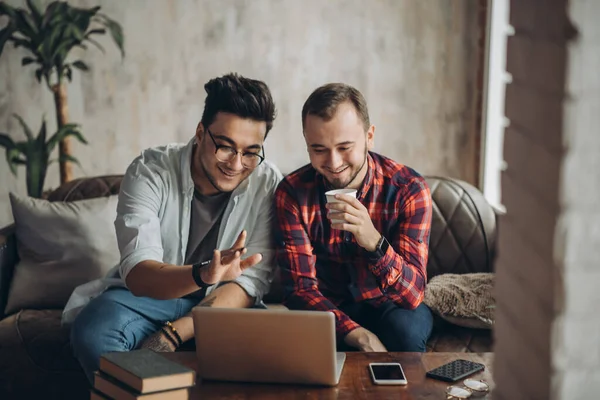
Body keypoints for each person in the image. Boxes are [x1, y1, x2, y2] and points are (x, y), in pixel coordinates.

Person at [66, 73, 282, 382]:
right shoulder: (151, 171)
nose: (236, 164)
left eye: (250, 152)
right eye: (225, 146)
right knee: (93, 332)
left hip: (223, 304)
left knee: (272, 355)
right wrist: (202, 274)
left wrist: (174, 334)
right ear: (199, 133)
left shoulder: (267, 183)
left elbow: (249, 285)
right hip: (147, 300)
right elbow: (139, 273)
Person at [274, 83, 433, 352]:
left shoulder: (409, 189)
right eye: (319, 149)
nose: (334, 163)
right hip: (326, 306)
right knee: (302, 343)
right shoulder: (292, 193)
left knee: (405, 333)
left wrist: (374, 243)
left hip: (390, 304)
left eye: (344, 147)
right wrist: (357, 334)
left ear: (369, 136)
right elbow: (300, 290)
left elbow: (413, 294)